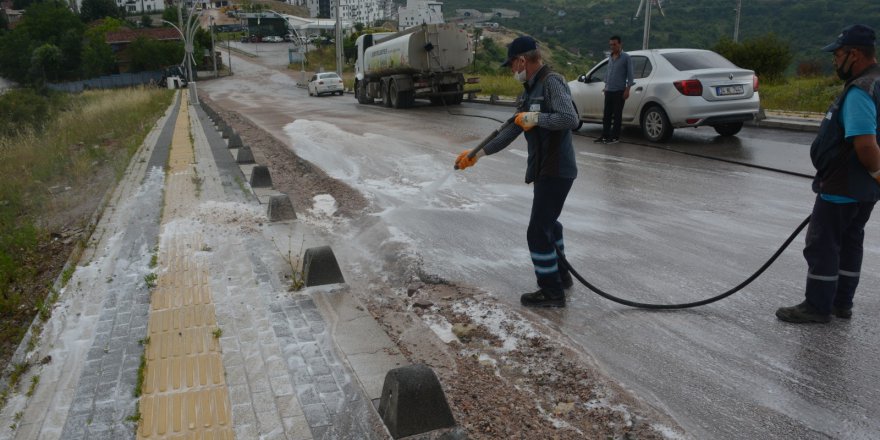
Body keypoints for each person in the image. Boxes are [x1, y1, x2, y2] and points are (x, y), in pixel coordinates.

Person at [454, 36, 579, 308]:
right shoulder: (528, 90)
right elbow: (512, 128)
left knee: (537, 231)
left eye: (512, 64)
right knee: (549, 224)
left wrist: (536, 118)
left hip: (557, 168)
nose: (512, 70)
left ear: (522, 60)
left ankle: (551, 292)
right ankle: (561, 276)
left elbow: (570, 119)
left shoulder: (551, 83)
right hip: (543, 168)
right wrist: (477, 155)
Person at [776, 24, 880, 324]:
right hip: (862, 189)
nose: (834, 61)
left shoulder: (861, 90)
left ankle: (818, 306)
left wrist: (876, 171)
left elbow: (865, 143)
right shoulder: (875, 82)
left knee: (823, 244)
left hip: (843, 184)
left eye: (837, 54)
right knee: (850, 242)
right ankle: (841, 303)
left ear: (855, 54)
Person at [596, 35, 634, 144]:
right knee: (606, 115)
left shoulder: (626, 57)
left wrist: (628, 90)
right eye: (611, 45)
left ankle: (615, 137)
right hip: (609, 90)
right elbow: (608, 73)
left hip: (619, 91)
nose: (612, 47)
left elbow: (630, 75)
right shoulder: (610, 57)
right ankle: (605, 136)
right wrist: (606, 86)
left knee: (617, 115)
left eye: (614, 44)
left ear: (620, 44)